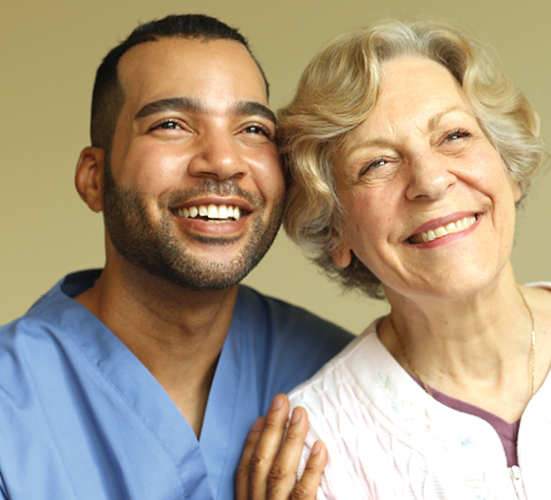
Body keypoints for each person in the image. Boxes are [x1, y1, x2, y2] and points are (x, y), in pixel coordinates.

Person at [278, 20, 551, 498]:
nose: (431, 180)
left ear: (510, 169)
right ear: (335, 231)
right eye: (377, 163)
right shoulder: (317, 450)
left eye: (454, 136)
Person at [0, 14, 352, 500]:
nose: (224, 160)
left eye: (252, 128)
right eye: (171, 124)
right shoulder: (10, 404)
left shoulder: (339, 373)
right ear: (94, 177)